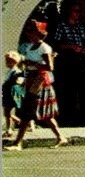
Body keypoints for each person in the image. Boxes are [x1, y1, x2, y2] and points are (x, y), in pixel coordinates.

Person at [5, 20, 69, 151]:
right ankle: (60, 137)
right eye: (29, 32)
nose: (29, 35)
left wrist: (31, 63)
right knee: (43, 114)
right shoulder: (29, 47)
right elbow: (25, 64)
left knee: (27, 110)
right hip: (31, 80)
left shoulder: (44, 48)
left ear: (39, 34)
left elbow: (49, 67)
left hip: (40, 81)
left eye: (32, 32)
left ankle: (18, 143)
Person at [51, 1, 85, 123]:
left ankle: (83, 115)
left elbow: (84, 42)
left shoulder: (80, 26)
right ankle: (67, 115)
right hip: (66, 59)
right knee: (67, 88)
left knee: (82, 87)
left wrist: (84, 48)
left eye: (79, 11)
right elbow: (56, 44)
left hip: (79, 59)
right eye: (75, 11)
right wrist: (71, 47)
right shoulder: (62, 26)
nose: (78, 14)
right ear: (69, 12)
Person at [3, 51, 26, 138]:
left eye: (8, 61)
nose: (6, 63)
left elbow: (20, 80)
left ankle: (10, 129)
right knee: (7, 113)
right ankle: (19, 122)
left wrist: (17, 82)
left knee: (7, 112)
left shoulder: (16, 71)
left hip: (12, 93)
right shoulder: (11, 71)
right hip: (7, 93)